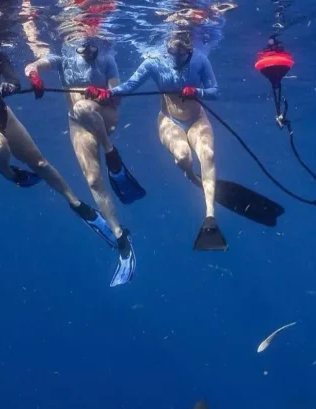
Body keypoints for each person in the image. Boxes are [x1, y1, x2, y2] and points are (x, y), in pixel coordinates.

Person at [0, 30, 125, 284]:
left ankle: (76, 203)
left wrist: (12, 84)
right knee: (0, 147)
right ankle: (9, 173)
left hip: (5, 118)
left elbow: (13, 77)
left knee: (41, 163)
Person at [24, 37, 145, 286]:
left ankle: (111, 153)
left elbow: (117, 97)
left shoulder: (107, 60)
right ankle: (120, 235)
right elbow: (34, 64)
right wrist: (34, 75)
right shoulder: (64, 60)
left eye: (92, 46)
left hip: (105, 115)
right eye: (82, 46)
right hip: (77, 122)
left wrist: (103, 95)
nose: (88, 51)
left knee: (81, 107)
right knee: (92, 179)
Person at [91, 32, 226, 250]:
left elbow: (214, 91)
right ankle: (194, 178)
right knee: (183, 156)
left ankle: (210, 217)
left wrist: (198, 91)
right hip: (169, 121)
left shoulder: (200, 59)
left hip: (198, 119)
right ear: (167, 49)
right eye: (174, 52)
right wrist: (107, 93)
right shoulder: (154, 62)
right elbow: (129, 86)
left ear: (189, 50)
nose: (177, 58)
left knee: (208, 154)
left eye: (183, 53)